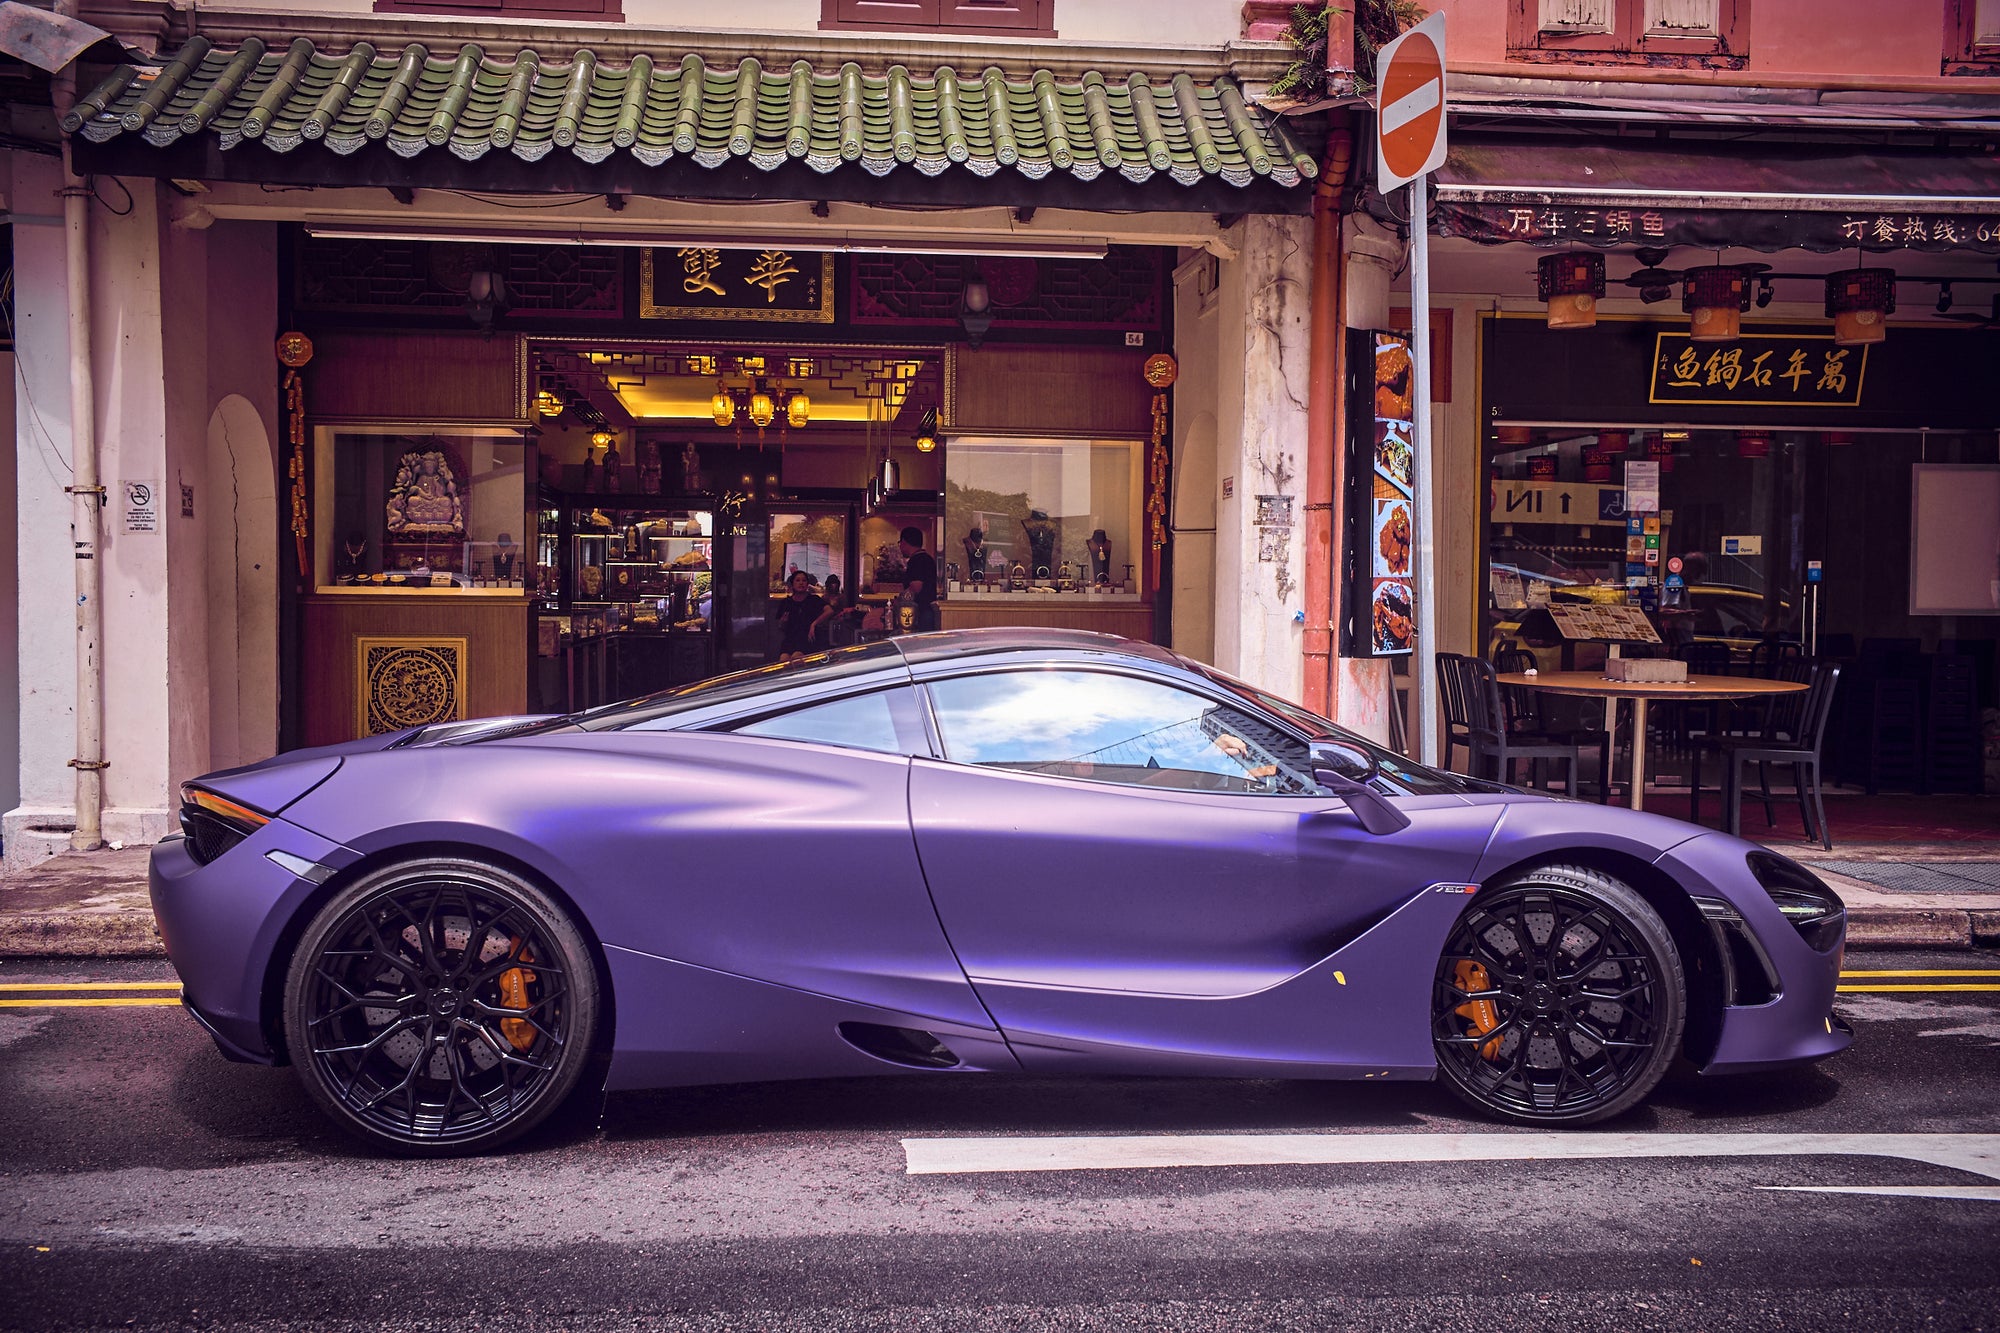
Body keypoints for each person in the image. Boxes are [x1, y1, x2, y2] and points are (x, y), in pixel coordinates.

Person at [774, 570, 823, 662]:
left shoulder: (813, 600)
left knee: (796, 658)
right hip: (790, 638)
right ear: (792, 584)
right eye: (798, 580)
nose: (801, 583)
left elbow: (829, 611)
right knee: (783, 660)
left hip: (806, 638)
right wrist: (783, 622)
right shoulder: (786, 602)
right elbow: (780, 626)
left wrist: (814, 623)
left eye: (804, 580)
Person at [898, 526, 939, 632]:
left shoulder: (916, 560)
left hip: (921, 612)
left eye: (900, 543)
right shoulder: (928, 558)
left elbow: (916, 587)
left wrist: (901, 599)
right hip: (929, 610)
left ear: (904, 542)